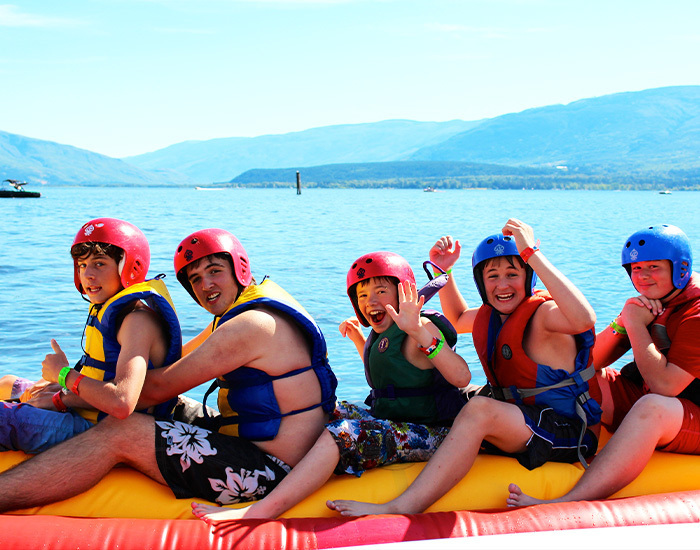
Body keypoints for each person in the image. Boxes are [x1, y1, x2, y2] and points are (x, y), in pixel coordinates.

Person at [0, 228, 337, 512]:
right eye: (195, 278)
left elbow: (150, 390)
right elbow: (172, 368)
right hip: (247, 441)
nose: (205, 285)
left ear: (239, 268)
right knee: (173, 408)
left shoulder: (251, 325)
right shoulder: (235, 314)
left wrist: (65, 385)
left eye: (214, 271)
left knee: (123, 428)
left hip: (269, 470)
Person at [327, 218, 602, 516]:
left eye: (513, 273)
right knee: (462, 396)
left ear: (529, 277)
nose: (502, 284)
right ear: (481, 284)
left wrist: (531, 252)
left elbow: (584, 318)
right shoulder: (491, 315)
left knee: (478, 408)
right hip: (524, 420)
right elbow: (457, 317)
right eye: (492, 276)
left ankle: (403, 505)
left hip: (566, 431)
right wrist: (444, 271)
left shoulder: (546, 314)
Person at [191, 251, 471, 522]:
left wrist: (419, 332)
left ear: (403, 293)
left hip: (435, 434)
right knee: (331, 408)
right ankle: (284, 467)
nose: (370, 301)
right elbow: (394, 374)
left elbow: (461, 377)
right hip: (395, 421)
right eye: (362, 295)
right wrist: (359, 341)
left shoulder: (420, 328)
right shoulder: (385, 334)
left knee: (344, 433)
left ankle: (263, 509)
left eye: (381, 291)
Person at [508, 224, 700, 507]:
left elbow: (665, 387)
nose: (643, 276)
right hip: (663, 401)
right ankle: (539, 437)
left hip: (684, 410)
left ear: (681, 268)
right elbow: (587, 362)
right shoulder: (653, 302)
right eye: (636, 268)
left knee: (653, 407)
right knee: (584, 381)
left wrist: (634, 323)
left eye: (654, 267)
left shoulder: (694, 313)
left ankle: (573, 499)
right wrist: (624, 321)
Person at [0, 217, 181, 453]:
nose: (87, 275)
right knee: (10, 383)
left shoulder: (137, 321)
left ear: (129, 267)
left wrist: (64, 375)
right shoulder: (117, 309)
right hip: (87, 408)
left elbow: (122, 402)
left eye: (99, 264)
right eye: (82, 265)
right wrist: (60, 392)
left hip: (98, 428)